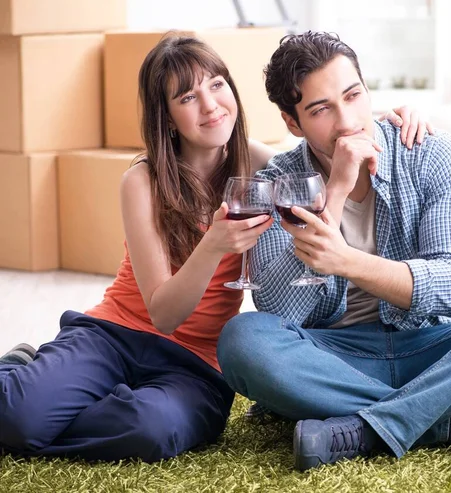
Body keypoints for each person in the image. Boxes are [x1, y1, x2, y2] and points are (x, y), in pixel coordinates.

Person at [0, 33, 429, 463]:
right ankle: (22, 378)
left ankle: (50, 401)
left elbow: (320, 143)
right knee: (19, 419)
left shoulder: (262, 165)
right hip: (116, 336)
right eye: (188, 97)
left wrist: (388, 119)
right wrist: (211, 247)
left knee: (152, 431)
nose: (211, 105)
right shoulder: (142, 181)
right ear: (166, 117)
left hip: (198, 365)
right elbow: (164, 315)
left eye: (217, 85)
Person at [216, 31, 451, 471]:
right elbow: (280, 307)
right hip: (336, 358)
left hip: (438, 348)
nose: (348, 120)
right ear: (292, 123)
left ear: (368, 90)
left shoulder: (433, 154)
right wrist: (334, 192)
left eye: (353, 96)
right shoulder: (279, 182)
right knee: (243, 341)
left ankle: (362, 427)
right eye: (321, 110)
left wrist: (348, 261)